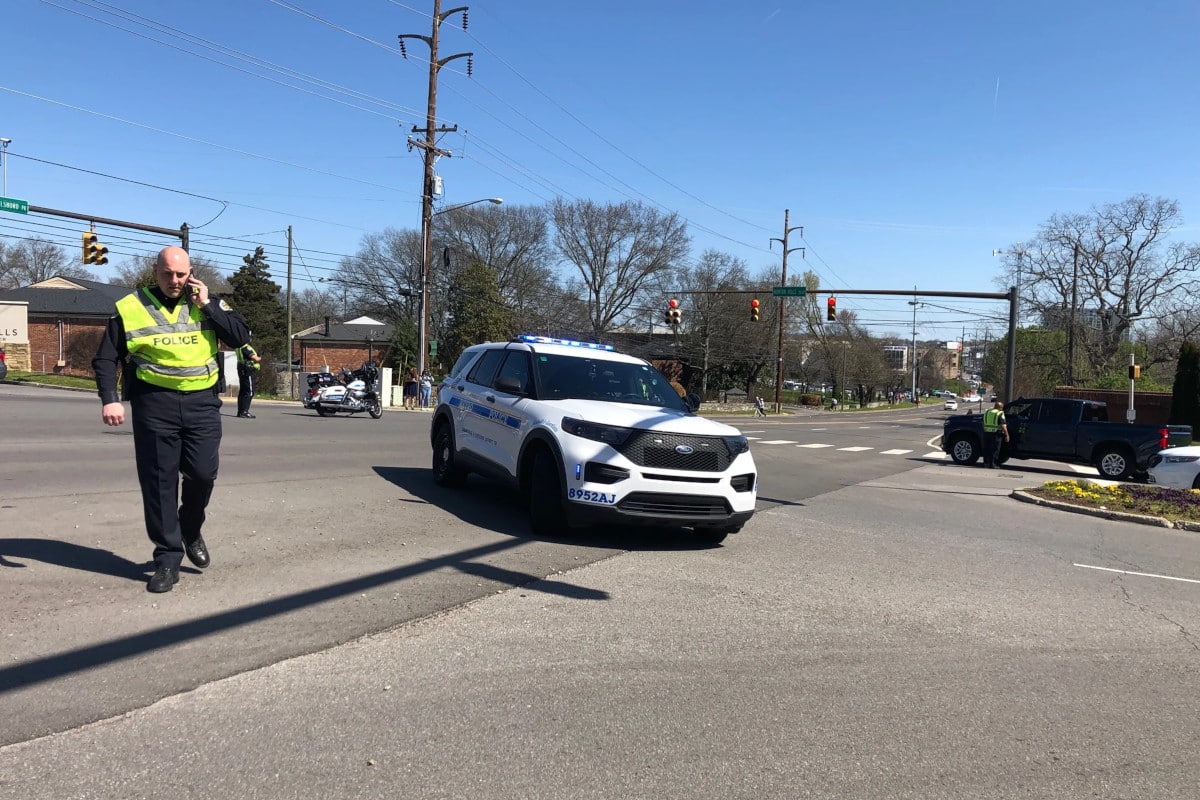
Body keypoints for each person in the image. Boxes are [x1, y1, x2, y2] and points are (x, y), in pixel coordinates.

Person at [93, 246, 251, 593]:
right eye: (168, 274)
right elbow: (105, 359)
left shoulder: (209, 303)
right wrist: (110, 399)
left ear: (191, 272)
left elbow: (240, 337)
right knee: (160, 482)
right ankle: (167, 558)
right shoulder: (131, 307)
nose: (174, 281)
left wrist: (208, 305)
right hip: (154, 403)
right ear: (156, 272)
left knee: (202, 474)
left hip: (202, 404)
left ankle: (190, 529)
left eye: (181, 274)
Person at [235, 340, 262, 418]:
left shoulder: (238, 347)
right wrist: (260, 356)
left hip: (242, 369)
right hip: (248, 371)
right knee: (249, 392)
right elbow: (256, 359)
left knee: (242, 391)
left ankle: (240, 411)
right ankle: (244, 411)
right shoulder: (246, 347)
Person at [982, 400, 1010, 469]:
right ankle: (993, 464)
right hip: (996, 434)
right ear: (1000, 408)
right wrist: (1007, 435)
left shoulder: (987, 412)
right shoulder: (999, 413)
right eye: (1002, 408)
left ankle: (986, 464)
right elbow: (1003, 425)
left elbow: (983, 423)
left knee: (987, 449)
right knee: (995, 450)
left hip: (986, 433)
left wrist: (986, 429)